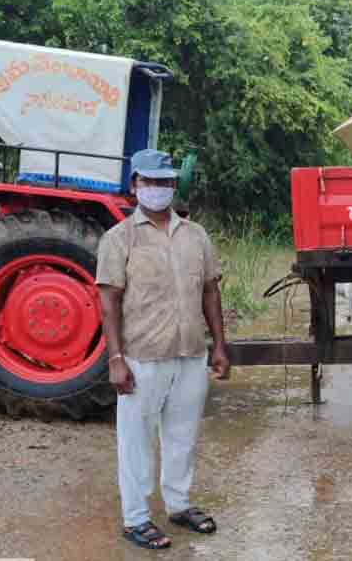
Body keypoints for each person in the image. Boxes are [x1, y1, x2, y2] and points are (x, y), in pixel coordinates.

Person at [96, 149, 231, 551]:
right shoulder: (119, 238)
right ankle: (136, 518)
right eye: (150, 182)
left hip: (191, 353)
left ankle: (178, 504)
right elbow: (109, 302)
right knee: (136, 441)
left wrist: (220, 345)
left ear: (174, 186)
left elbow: (210, 291)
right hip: (142, 357)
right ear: (135, 184)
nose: (158, 189)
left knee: (182, 435)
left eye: (165, 182)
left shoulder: (196, 235)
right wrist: (116, 358)